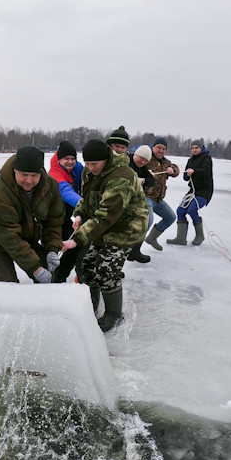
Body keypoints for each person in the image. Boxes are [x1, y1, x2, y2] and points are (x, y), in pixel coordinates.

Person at [61, 140, 148, 332]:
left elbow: (106, 215)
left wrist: (76, 240)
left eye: (95, 164)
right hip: (103, 226)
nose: (90, 168)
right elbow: (87, 198)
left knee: (106, 270)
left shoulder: (121, 177)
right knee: (86, 266)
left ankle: (114, 315)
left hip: (126, 228)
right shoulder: (88, 171)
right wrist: (79, 214)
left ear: (106, 159)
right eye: (88, 164)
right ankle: (89, 308)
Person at [0, 145, 64, 281]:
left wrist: (52, 248)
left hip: (25, 235)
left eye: (34, 175)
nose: (29, 180)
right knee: (9, 286)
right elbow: (8, 236)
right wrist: (35, 268)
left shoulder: (50, 187)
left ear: (41, 172)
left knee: (52, 278)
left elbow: (53, 222)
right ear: (15, 170)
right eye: (24, 175)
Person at [47, 140, 84, 283]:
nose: (70, 161)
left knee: (75, 245)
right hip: (51, 221)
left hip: (65, 217)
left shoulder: (77, 168)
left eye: (73, 158)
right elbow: (66, 191)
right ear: (59, 159)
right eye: (66, 159)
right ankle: (49, 280)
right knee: (52, 251)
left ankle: (60, 276)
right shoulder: (55, 173)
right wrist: (83, 205)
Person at [167, 140, 214, 246]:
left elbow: (207, 172)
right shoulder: (190, 160)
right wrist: (188, 175)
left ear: (201, 148)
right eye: (192, 148)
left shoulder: (206, 158)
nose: (194, 150)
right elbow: (185, 178)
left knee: (192, 210)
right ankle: (181, 238)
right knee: (180, 211)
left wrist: (195, 171)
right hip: (192, 191)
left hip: (204, 191)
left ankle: (200, 236)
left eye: (196, 148)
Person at [144, 136, 179, 250]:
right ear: (153, 147)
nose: (161, 151)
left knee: (171, 217)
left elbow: (176, 170)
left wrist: (172, 170)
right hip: (146, 197)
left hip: (158, 199)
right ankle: (134, 247)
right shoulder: (147, 158)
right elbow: (135, 167)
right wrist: (146, 172)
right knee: (148, 221)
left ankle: (152, 238)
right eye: (158, 147)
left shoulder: (166, 162)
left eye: (163, 149)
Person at [126, 144, 155, 264]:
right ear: (135, 155)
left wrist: (142, 180)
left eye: (145, 160)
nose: (142, 162)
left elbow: (151, 181)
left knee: (147, 221)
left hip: (137, 200)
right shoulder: (126, 161)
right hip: (124, 199)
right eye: (141, 158)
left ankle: (135, 250)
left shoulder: (143, 167)